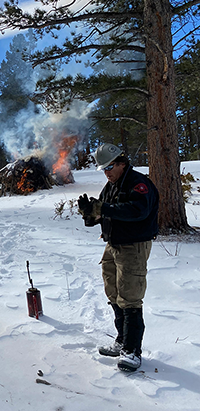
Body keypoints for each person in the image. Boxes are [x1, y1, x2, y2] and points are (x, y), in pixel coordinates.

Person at [77, 143, 159, 372]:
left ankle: (132, 351)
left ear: (122, 163)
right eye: (103, 169)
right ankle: (122, 340)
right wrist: (89, 213)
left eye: (110, 167)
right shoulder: (110, 186)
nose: (107, 172)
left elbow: (137, 211)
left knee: (130, 296)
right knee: (113, 292)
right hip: (112, 245)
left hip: (133, 246)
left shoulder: (138, 184)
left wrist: (103, 209)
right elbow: (103, 214)